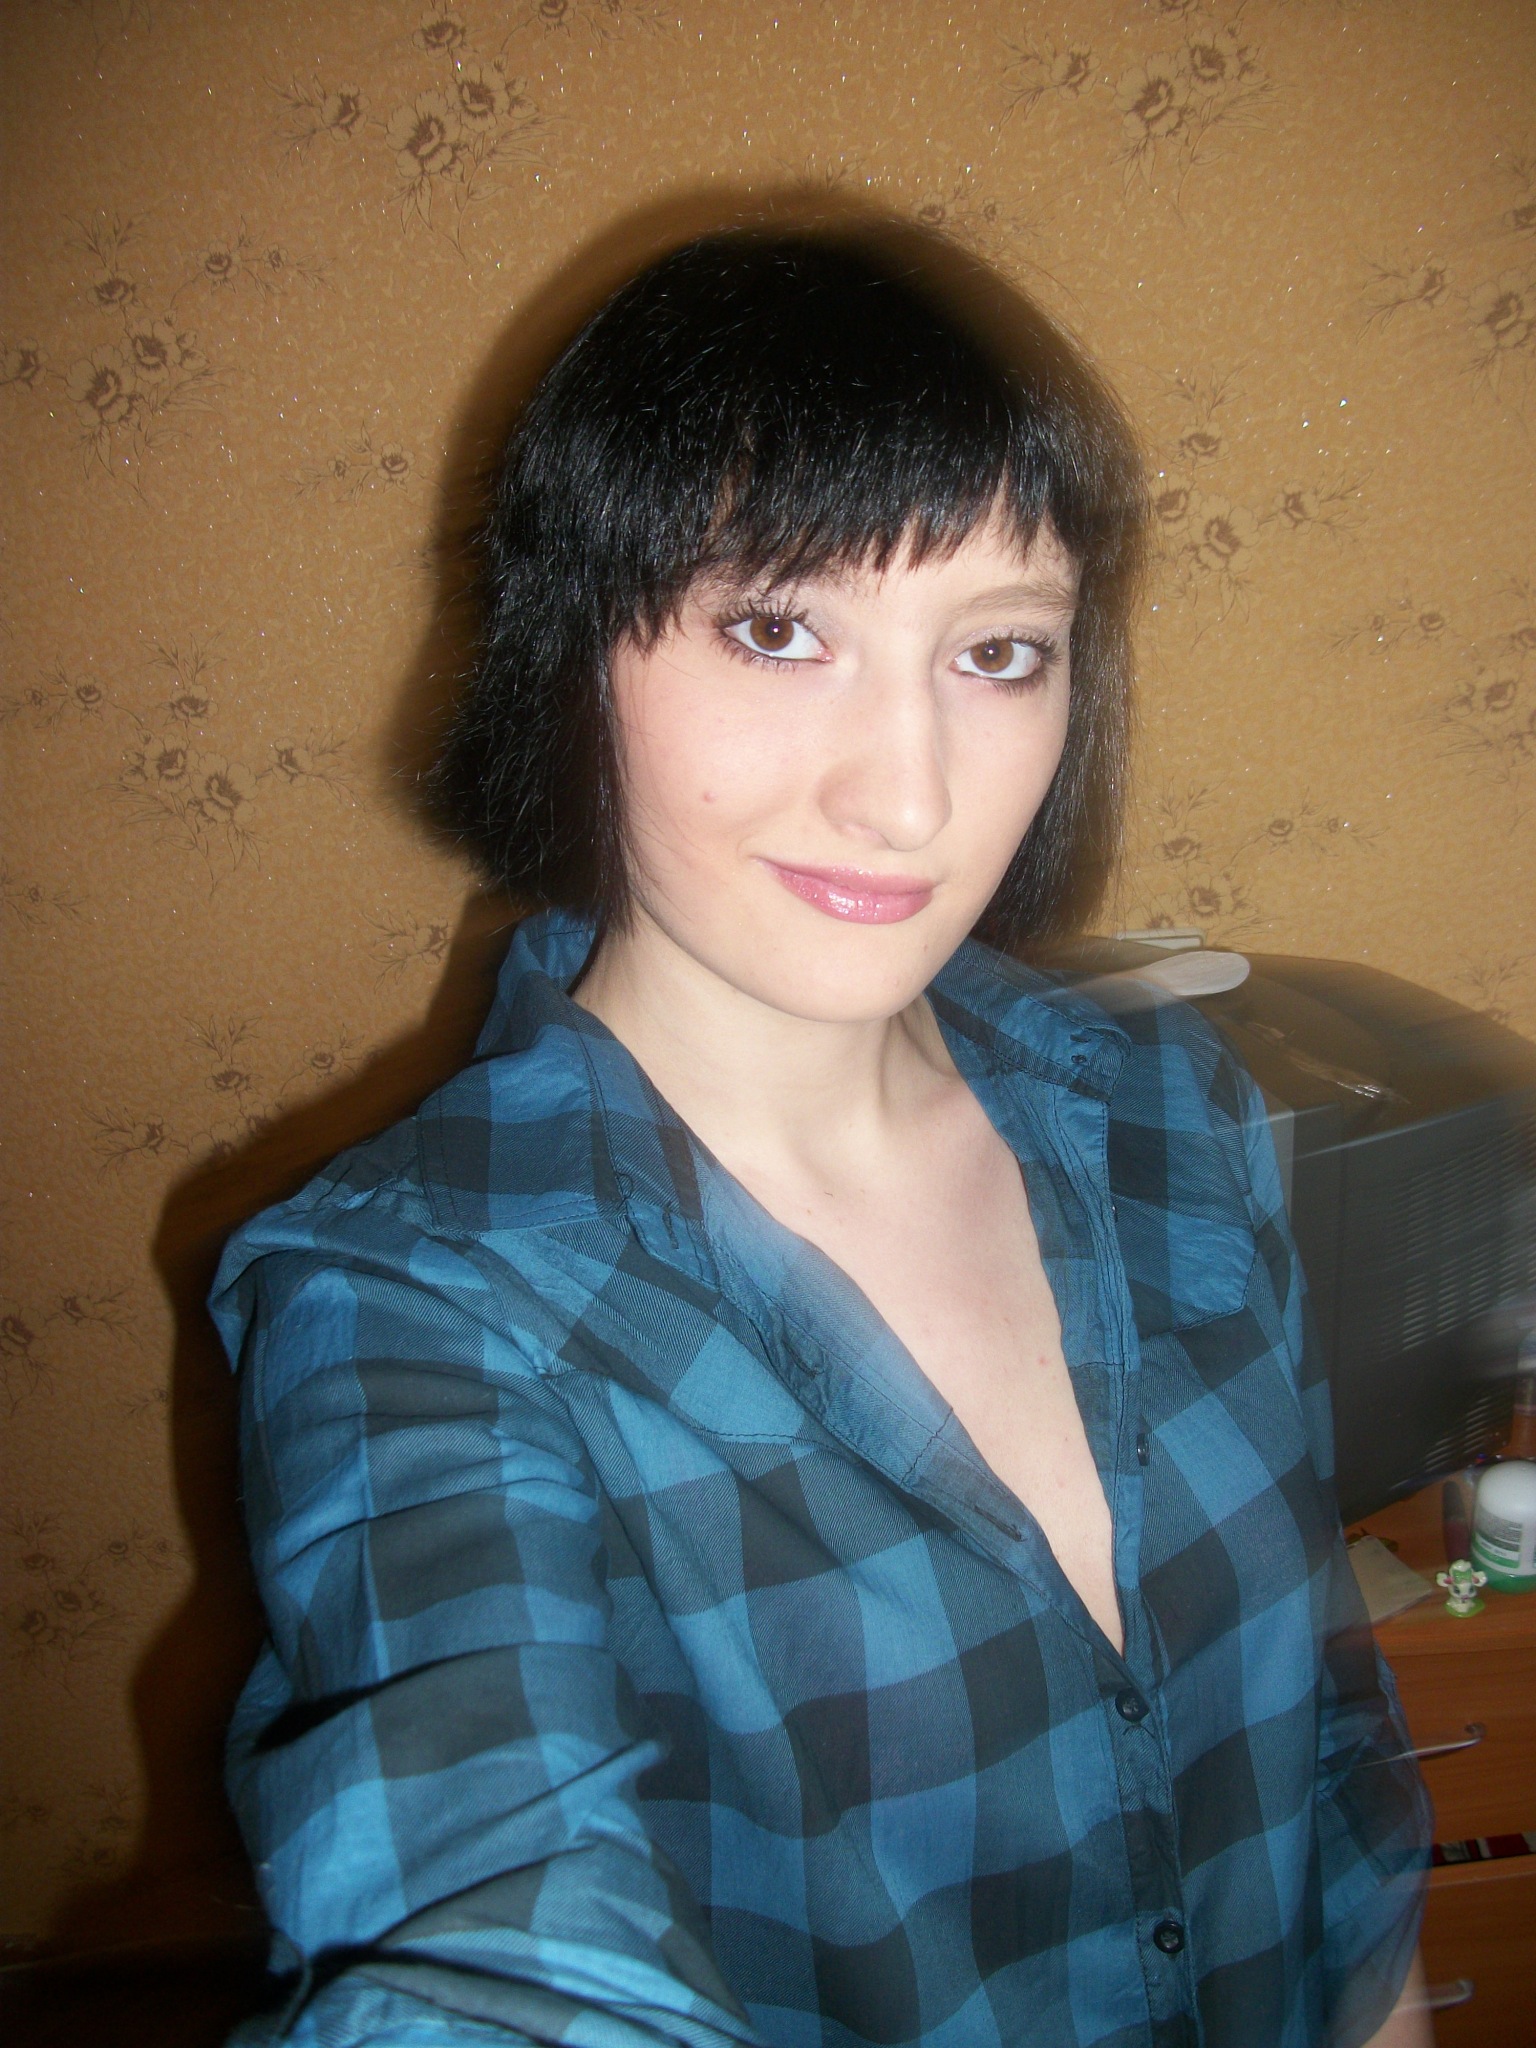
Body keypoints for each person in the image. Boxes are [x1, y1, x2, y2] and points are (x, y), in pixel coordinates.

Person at [211, 225, 1432, 2048]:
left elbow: (1323, 1739)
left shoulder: (1166, 1109)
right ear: (574, 646)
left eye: (999, 651)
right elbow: (483, 1926)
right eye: (781, 630)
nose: (910, 794)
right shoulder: (410, 1308)